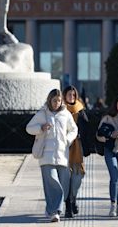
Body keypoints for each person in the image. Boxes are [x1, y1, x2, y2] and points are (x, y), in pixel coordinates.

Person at [26, 88, 78, 222]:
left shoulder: (65, 114)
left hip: (63, 156)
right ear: (50, 100)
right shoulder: (43, 113)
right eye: (54, 100)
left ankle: (51, 208)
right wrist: (41, 128)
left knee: (63, 184)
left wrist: (68, 139)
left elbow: (74, 129)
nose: (57, 103)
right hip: (46, 156)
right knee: (52, 183)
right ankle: (55, 211)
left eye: (59, 100)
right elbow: (29, 128)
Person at [62, 85, 91, 218]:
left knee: (77, 178)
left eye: (73, 95)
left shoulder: (80, 110)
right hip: (63, 148)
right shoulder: (61, 110)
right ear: (64, 96)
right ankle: (68, 205)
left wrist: (86, 147)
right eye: (69, 95)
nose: (72, 97)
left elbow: (86, 130)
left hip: (77, 148)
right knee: (66, 178)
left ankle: (73, 198)